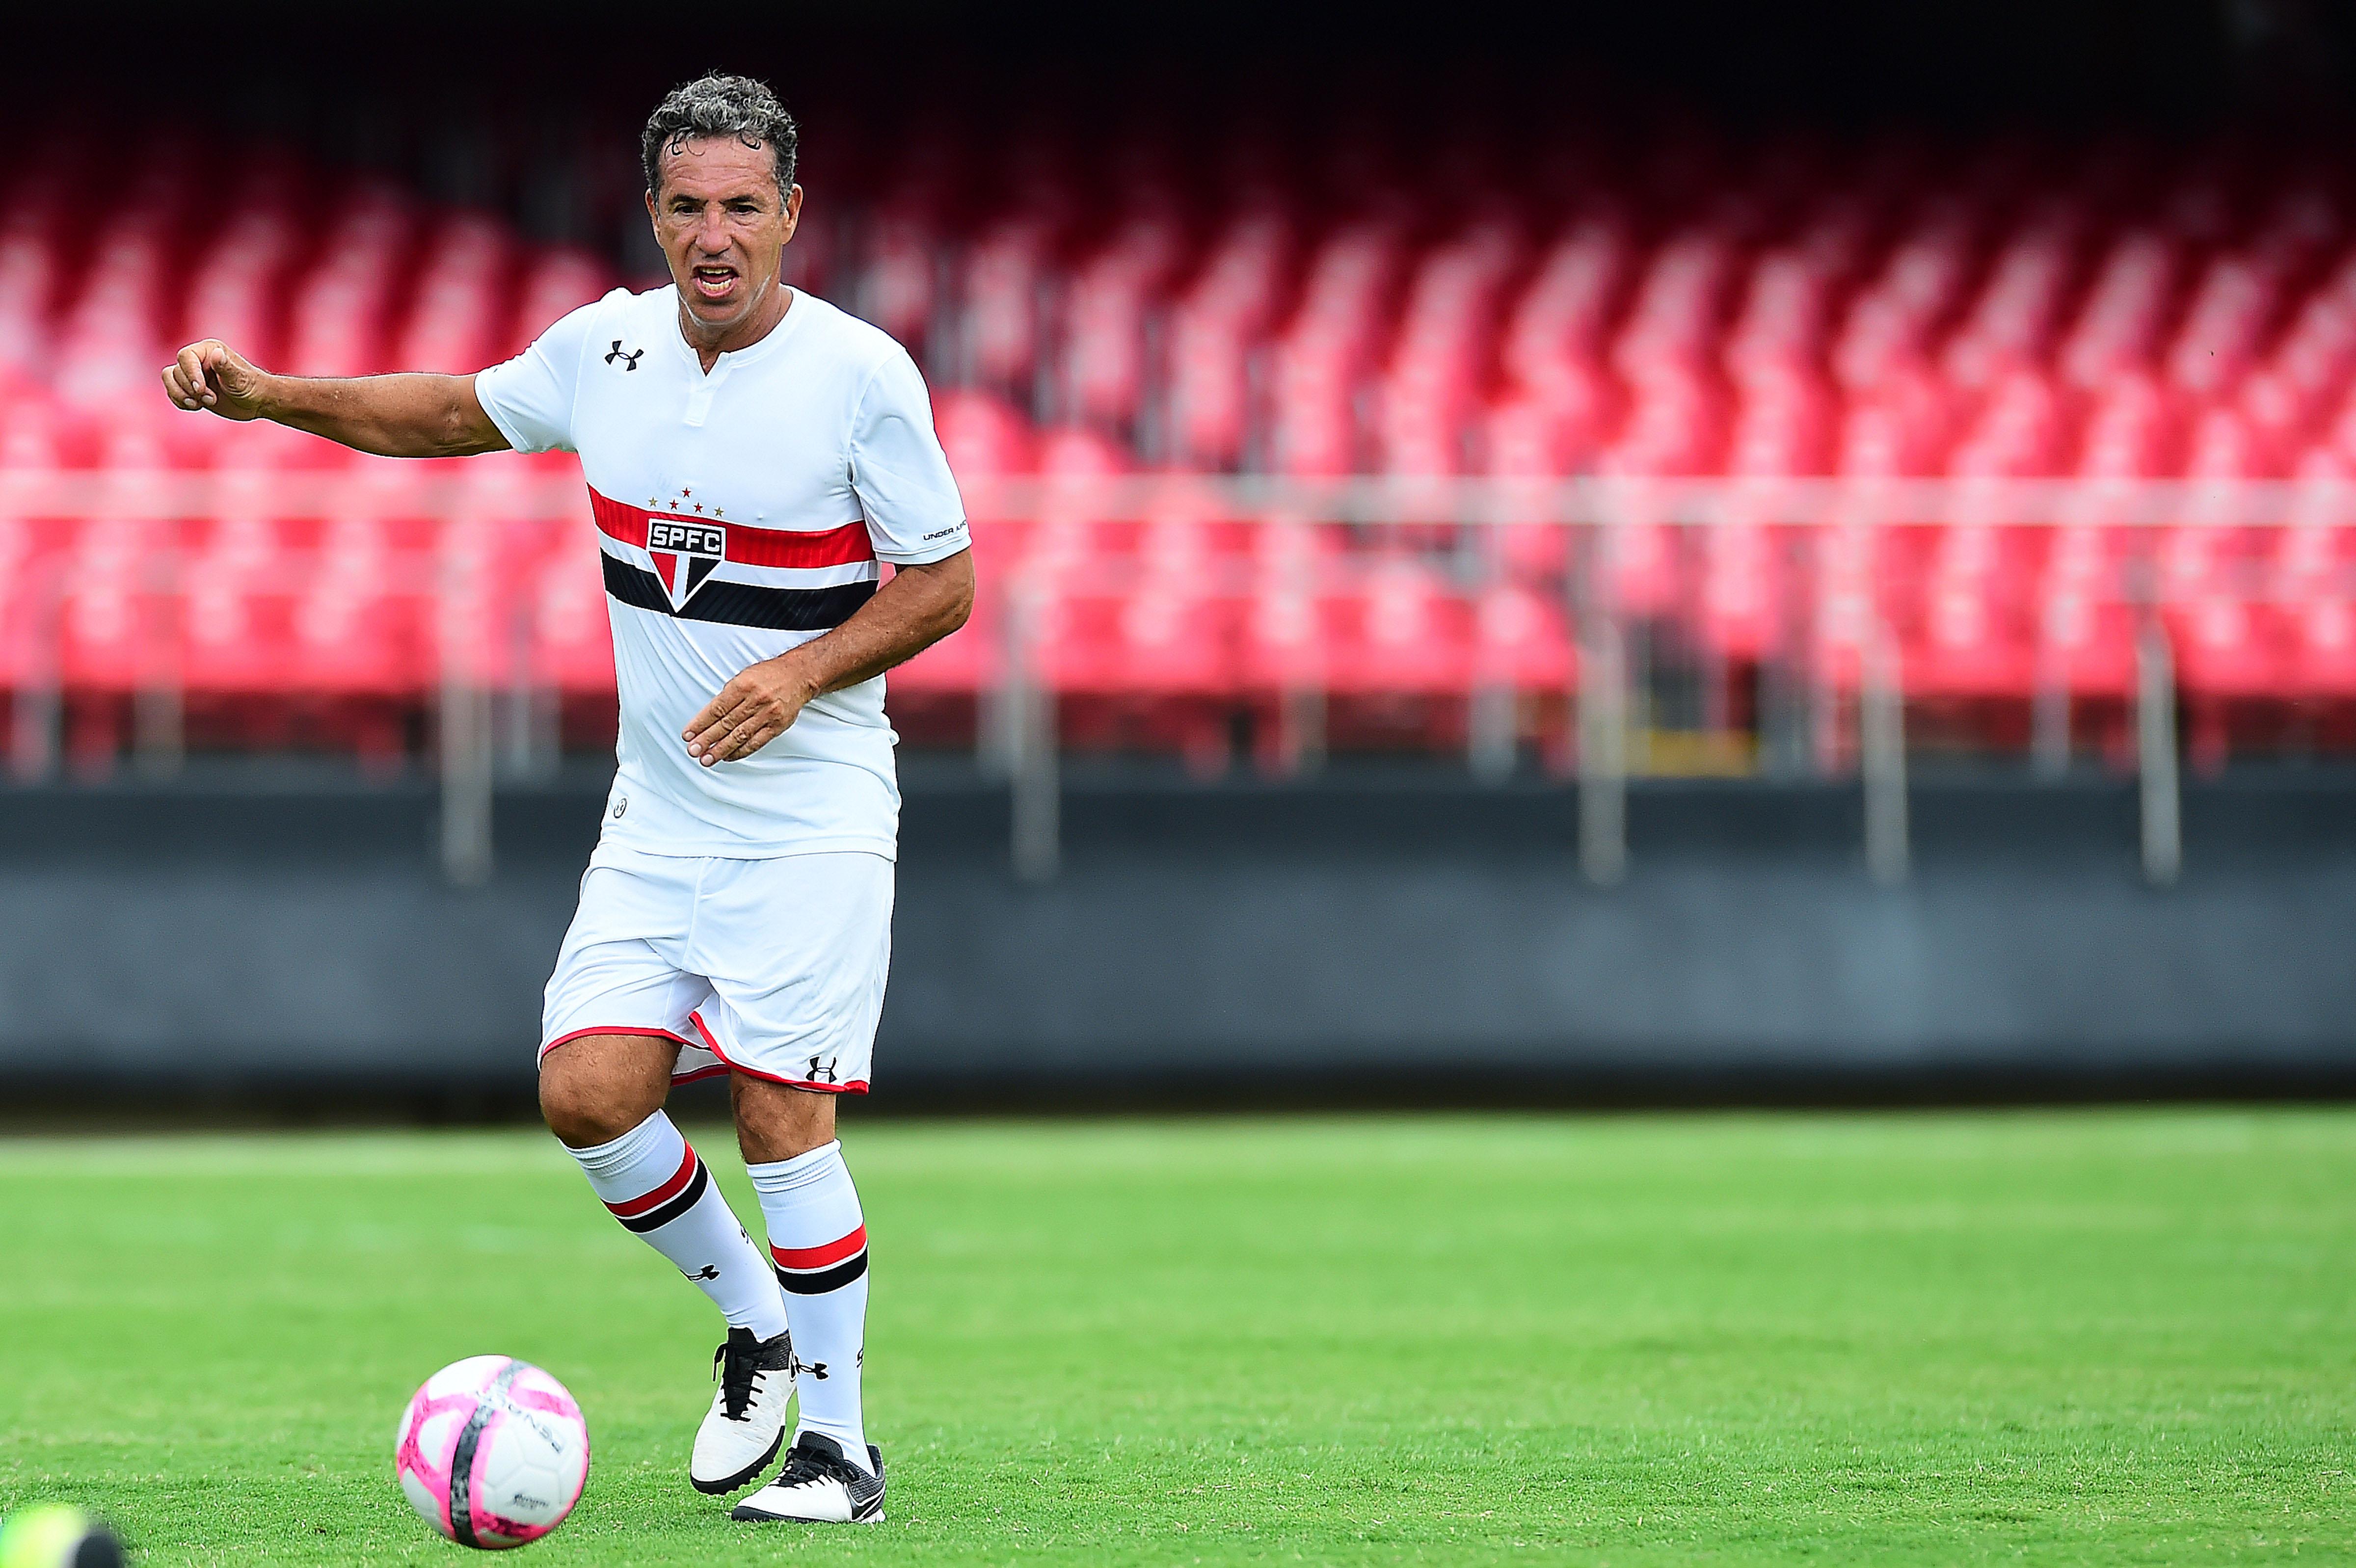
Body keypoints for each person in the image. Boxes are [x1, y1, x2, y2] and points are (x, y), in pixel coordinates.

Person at [162, 72, 973, 1526]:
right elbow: (446, 413)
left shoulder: (863, 376)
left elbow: (946, 583)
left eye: (743, 206)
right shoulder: (605, 347)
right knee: (588, 1095)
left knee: (783, 1112)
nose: (715, 235)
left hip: (813, 815)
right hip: (659, 814)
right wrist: (271, 394)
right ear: (652, 213)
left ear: (793, 213)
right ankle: (758, 1324)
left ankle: (842, 1451)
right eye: (689, 206)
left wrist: (802, 673)